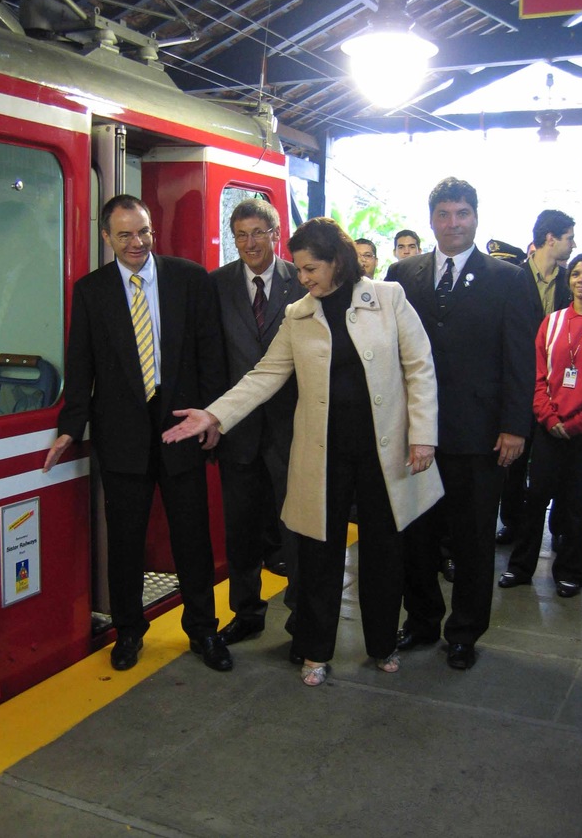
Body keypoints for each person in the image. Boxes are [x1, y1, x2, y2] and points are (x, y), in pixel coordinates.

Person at [163, 217, 443, 686]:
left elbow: (419, 367)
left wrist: (423, 435)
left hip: (385, 450)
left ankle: (381, 644)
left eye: (312, 268)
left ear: (337, 261)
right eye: (300, 268)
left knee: (383, 551)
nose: (304, 278)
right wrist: (214, 415)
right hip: (324, 453)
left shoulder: (388, 298)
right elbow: (264, 376)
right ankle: (315, 649)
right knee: (317, 553)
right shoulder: (299, 315)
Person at [43, 195, 233, 673]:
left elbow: (211, 353)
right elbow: (81, 363)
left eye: (143, 231)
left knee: (192, 536)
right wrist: (70, 428)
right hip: (122, 435)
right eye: (125, 234)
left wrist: (213, 416)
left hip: (183, 425)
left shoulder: (188, 279)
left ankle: (204, 631)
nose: (137, 242)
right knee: (125, 540)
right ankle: (129, 632)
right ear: (106, 237)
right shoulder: (91, 291)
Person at [385, 176, 535, 670]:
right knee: (418, 535)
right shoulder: (402, 274)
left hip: (481, 435)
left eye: (462, 213)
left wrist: (515, 426)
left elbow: (520, 359)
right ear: (431, 220)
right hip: (416, 434)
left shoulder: (509, 279)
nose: (453, 223)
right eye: (444, 214)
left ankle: (464, 632)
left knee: (472, 540)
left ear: (476, 216)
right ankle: (423, 620)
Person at [211, 198, 304, 646]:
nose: (250, 243)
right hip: (239, 431)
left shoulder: (302, 280)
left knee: (296, 527)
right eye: (241, 235)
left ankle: (300, 617)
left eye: (258, 233)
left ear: (275, 234)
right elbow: (210, 359)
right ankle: (246, 612)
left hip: (293, 428)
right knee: (241, 528)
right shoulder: (216, 286)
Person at [499, 253, 582, 598]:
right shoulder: (552, 323)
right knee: (535, 498)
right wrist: (548, 417)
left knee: (576, 502)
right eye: (576, 273)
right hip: (549, 427)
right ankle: (520, 567)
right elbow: (537, 375)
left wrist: (579, 423)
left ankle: (570, 572)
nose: (581, 280)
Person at [495, 209, 575, 546]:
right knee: (512, 460)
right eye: (569, 237)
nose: (573, 244)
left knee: (555, 462)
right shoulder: (511, 277)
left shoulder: (571, 281)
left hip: (557, 389)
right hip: (516, 383)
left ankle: (558, 528)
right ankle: (511, 523)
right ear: (551, 238)